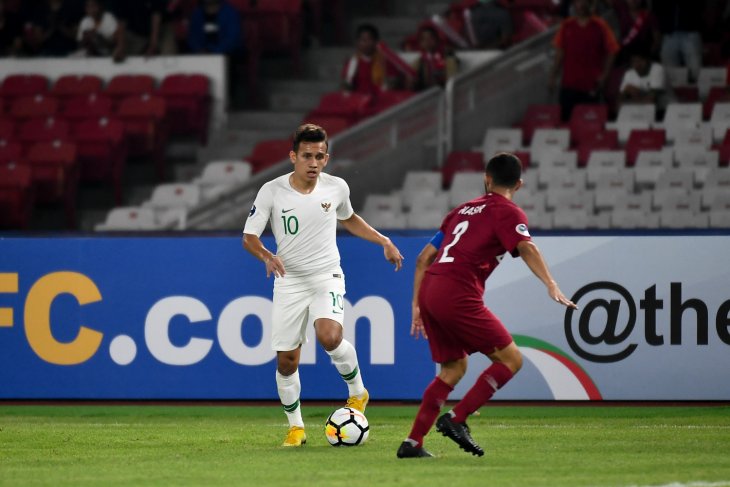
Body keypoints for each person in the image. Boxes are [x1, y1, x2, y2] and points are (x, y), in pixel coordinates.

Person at [397, 152, 576, 459]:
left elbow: (423, 258)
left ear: (487, 179)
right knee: (511, 360)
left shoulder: (460, 212)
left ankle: (413, 442)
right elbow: (527, 246)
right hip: (457, 291)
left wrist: (417, 304)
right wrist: (551, 283)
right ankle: (457, 418)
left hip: (431, 290)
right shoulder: (509, 212)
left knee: (454, 368)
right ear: (518, 185)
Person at [242, 124, 404, 448]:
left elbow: (350, 217)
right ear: (293, 157)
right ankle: (296, 428)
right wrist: (266, 255)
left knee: (330, 336)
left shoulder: (336, 188)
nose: (313, 163)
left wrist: (383, 240)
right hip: (288, 281)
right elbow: (249, 237)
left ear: (326, 158)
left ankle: (358, 393)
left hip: (326, 274)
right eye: (306, 156)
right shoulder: (271, 191)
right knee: (287, 361)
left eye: (319, 156)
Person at [549, 0, 620, 121]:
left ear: (590, 4)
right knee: (566, 121)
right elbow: (560, 52)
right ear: (574, 5)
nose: (581, 5)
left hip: (591, 85)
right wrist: (553, 76)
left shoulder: (600, 25)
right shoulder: (566, 25)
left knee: (590, 124)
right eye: (577, 2)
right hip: (569, 85)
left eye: (584, 2)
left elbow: (612, 50)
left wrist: (605, 75)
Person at [652, 0, 705, 83]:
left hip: (691, 30)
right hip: (668, 32)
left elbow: (701, 5)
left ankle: (696, 92)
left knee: (695, 68)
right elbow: (656, 8)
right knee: (669, 71)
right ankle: (673, 94)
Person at [341, 23, 400, 95]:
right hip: (359, 101)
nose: (366, 43)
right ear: (357, 43)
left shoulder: (385, 61)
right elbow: (346, 84)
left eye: (370, 40)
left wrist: (389, 84)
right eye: (363, 40)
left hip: (382, 100)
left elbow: (394, 82)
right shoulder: (352, 62)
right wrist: (346, 85)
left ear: (376, 42)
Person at [407, 25, 459, 91]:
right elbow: (411, 77)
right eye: (424, 39)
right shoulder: (419, 61)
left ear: (437, 40)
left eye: (431, 38)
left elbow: (451, 81)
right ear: (420, 43)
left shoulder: (448, 59)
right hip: (425, 94)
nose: (427, 42)